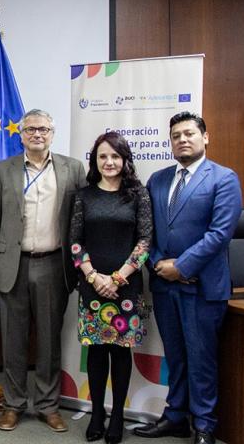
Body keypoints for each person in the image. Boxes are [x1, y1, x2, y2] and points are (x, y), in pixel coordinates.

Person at [134, 112, 241, 444]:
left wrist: (181, 266)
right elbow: (146, 231)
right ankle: (175, 416)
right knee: (176, 357)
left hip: (201, 289)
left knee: (201, 359)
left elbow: (220, 234)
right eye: (176, 135)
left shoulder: (223, 178)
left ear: (205, 138)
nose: (182, 139)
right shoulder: (158, 179)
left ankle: (205, 425)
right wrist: (156, 264)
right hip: (165, 289)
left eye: (189, 133)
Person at [0, 109, 86, 433]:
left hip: (55, 264)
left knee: (49, 341)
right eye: (30, 129)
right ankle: (13, 404)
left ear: (52, 133)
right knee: (13, 340)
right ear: (21, 135)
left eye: (43, 129)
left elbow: (81, 220)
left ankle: (47, 405)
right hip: (13, 264)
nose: (37, 134)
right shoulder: (4, 169)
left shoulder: (73, 168)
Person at [69, 132, 152, 443]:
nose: (109, 162)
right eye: (102, 156)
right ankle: (98, 413)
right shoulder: (83, 196)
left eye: (115, 156)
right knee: (95, 351)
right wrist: (94, 278)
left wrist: (117, 278)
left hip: (126, 290)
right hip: (92, 288)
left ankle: (117, 414)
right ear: (95, 160)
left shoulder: (138, 195)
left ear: (124, 159)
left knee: (120, 352)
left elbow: (145, 242)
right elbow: (75, 242)